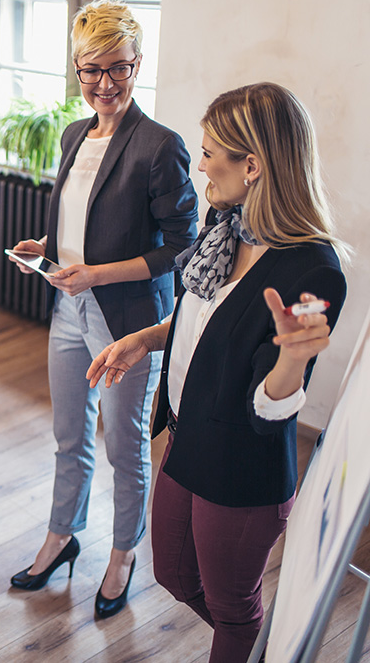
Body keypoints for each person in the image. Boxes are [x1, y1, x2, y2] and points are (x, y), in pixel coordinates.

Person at [88, 82, 347, 662]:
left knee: (232, 612)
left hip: (241, 469)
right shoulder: (225, 223)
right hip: (187, 438)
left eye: (209, 153)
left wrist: (293, 358)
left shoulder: (313, 267)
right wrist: (144, 340)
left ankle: (251, 644)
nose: (199, 164)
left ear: (251, 165)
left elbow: (271, 406)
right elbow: (197, 318)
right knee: (174, 576)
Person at [9, 0, 198, 619]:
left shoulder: (160, 145)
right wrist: (50, 248)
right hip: (69, 315)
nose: (104, 83)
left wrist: (96, 273)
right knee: (69, 436)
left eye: (117, 68)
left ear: (136, 64)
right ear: (77, 70)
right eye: (91, 70)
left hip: (130, 323)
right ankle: (61, 536)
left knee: (125, 445)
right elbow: (84, 219)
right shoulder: (72, 134)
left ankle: (123, 554)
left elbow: (181, 247)